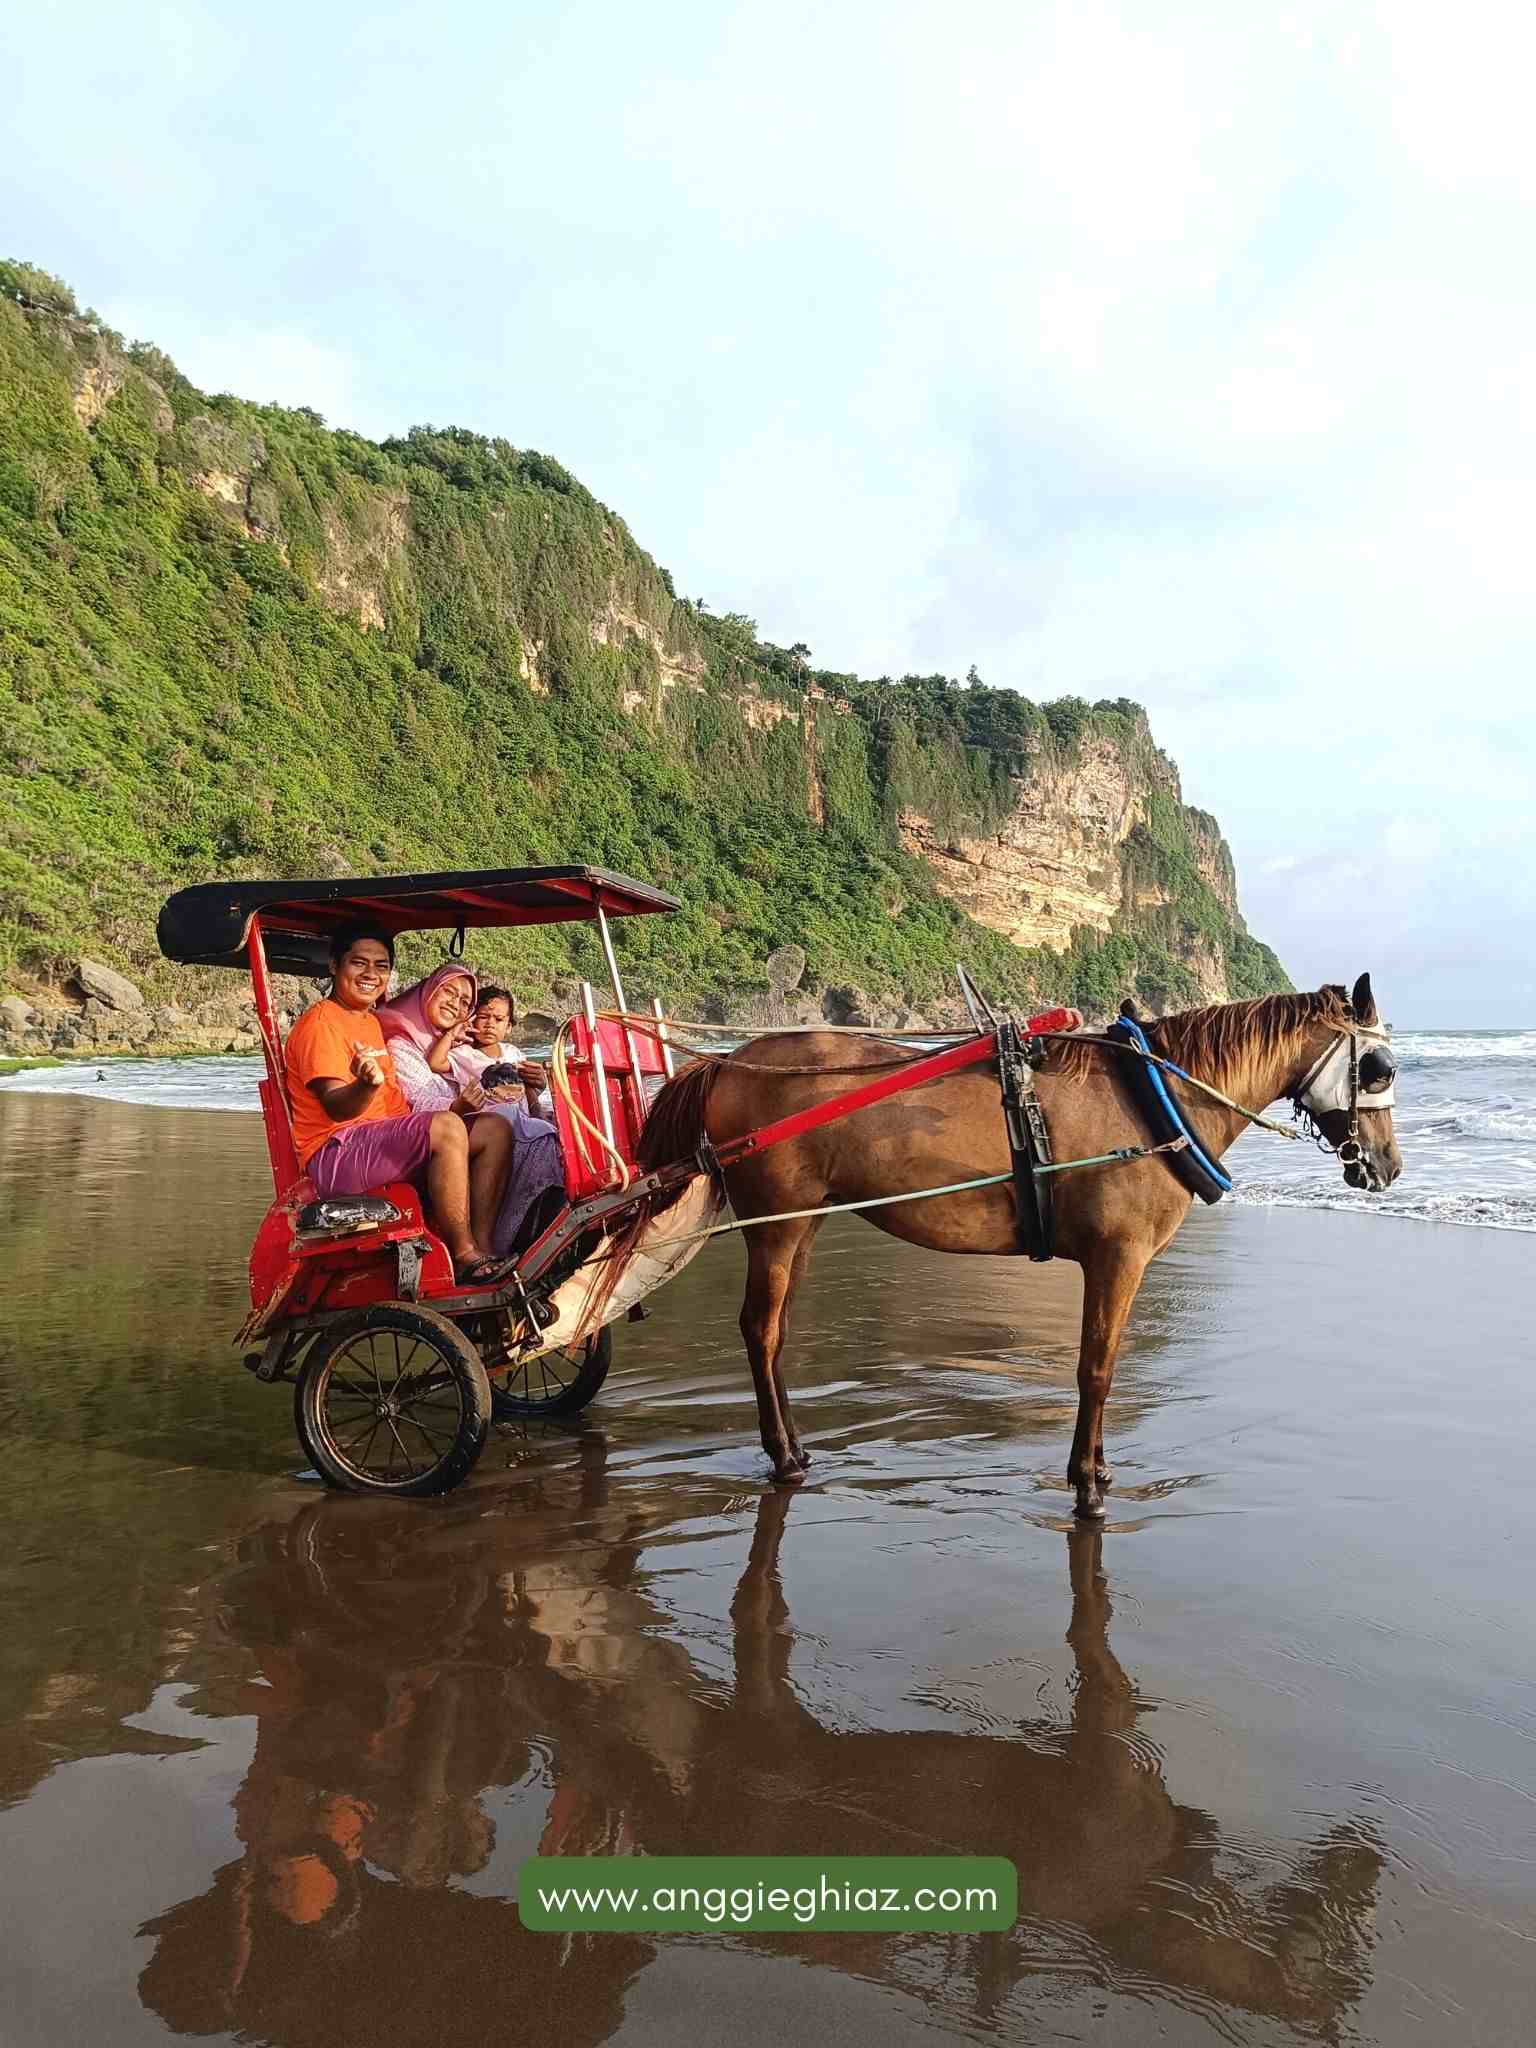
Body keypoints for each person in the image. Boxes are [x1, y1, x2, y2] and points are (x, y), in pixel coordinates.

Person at [283, 925, 514, 1285]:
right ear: (334, 966)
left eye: (381, 966)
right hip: (335, 1151)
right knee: (447, 1125)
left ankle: (482, 1250)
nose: (370, 974)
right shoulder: (321, 1023)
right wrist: (364, 1084)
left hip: (375, 1142)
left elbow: (399, 1108)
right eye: (359, 963)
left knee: (495, 1128)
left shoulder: (370, 1023)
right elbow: (336, 1108)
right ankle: (464, 1254)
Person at [377, 965, 566, 1253]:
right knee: (522, 1139)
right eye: (449, 992)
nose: (456, 1004)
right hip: (429, 1138)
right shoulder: (407, 1045)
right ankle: (504, 1242)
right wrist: (459, 1105)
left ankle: (538, 1232)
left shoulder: (467, 1044)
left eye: (465, 1001)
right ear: (428, 992)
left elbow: (523, 1100)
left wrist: (536, 1088)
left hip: (469, 1125)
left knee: (552, 1136)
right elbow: (418, 1103)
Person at [467, 984, 549, 1115]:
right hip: (488, 1122)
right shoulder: (464, 1054)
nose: (490, 1024)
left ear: (509, 1027)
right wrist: (451, 1034)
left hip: (522, 1118)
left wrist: (537, 1112)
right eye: (483, 1017)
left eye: (498, 1019)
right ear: (471, 1020)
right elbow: (436, 1063)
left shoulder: (513, 1053)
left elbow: (528, 1088)